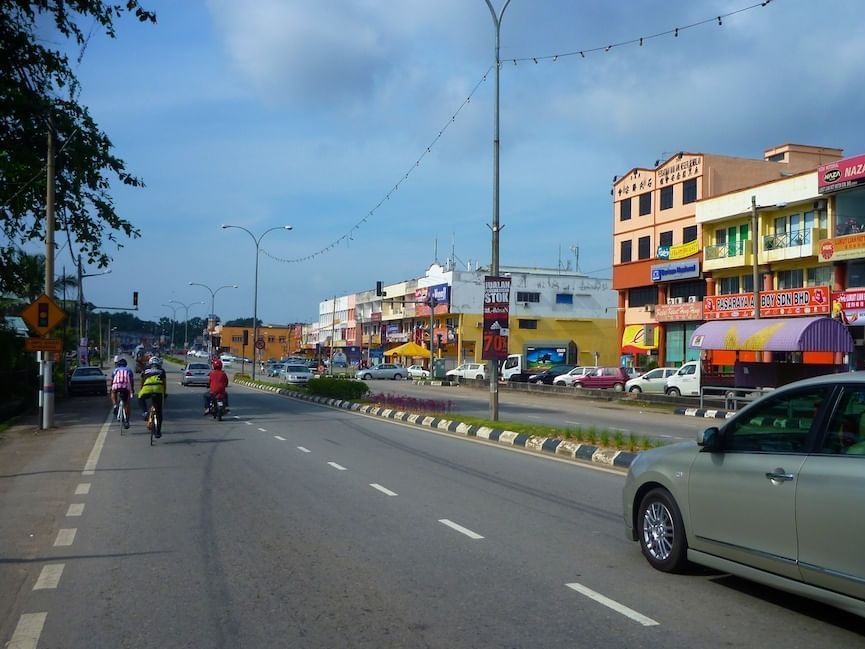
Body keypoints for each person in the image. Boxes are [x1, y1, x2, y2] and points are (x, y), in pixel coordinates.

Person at [138, 356, 167, 438]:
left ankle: (145, 412)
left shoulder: (145, 370)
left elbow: (142, 382)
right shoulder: (162, 371)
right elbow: (164, 384)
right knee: (159, 412)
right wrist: (164, 393)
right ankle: (158, 432)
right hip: (158, 389)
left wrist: (141, 391)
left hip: (147, 388)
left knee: (140, 399)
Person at [110, 356, 135, 429]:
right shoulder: (129, 370)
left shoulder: (115, 370)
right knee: (127, 403)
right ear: (125, 365)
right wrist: (132, 389)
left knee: (113, 392)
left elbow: (112, 380)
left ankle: (115, 404)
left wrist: (111, 388)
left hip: (116, 385)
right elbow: (131, 381)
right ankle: (127, 420)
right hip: (126, 387)